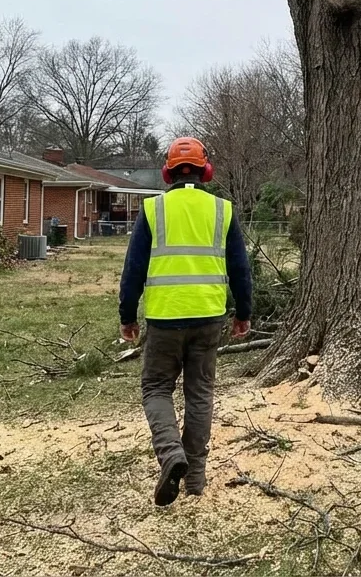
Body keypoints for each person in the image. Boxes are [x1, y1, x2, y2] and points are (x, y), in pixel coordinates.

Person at [118, 137, 252, 506]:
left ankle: (170, 453)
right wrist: (243, 312)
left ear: (168, 171)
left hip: (164, 317)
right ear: (206, 170)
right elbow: (241, 269)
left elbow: (133, 271)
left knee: (157, 389)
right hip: (209, 316)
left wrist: (127, 316)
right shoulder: (222, 210)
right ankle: (194, 475)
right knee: (200, 393)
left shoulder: (153, 210)